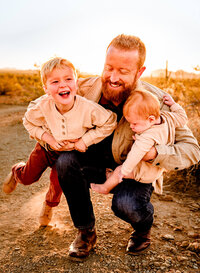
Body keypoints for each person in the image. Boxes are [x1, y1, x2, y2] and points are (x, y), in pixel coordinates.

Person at [54, 34, 200, 258]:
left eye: (123, 71)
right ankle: (85, 232)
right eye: (109, 68)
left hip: (136, 171)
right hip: (96, 164)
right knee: (65, 162)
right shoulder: (83, 89)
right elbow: (51, 115)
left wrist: (154, 153)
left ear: (139, 72)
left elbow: (192, 150)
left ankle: (142, 230)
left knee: (126, 206)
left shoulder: (157, 102)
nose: (112, 77)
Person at [2, 57, 117, 226]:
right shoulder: (42, 106)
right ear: (46, 89)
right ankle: (16, 171)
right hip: (45, 149)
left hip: (69, 154)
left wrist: (85, 140)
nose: (63, 85)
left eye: (68, 79)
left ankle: (48, 207)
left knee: (57, 185)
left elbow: (110, 122)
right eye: (55, 81)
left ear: (76, 84)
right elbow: (28, 121)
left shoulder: (88, 108)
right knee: (28, 178)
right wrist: (46, 137)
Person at [91, 90, 188, 195]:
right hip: (156, 169)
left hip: (145, 171)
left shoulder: (147, 137)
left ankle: (105, 188)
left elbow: (135, 155)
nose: (131, 126)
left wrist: (123, 171)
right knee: (119, 171)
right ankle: (113, 176)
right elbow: (183, 118)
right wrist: (173, 105)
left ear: (151, 119)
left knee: (119, 170)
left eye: (135, 123)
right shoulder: (167, 117)